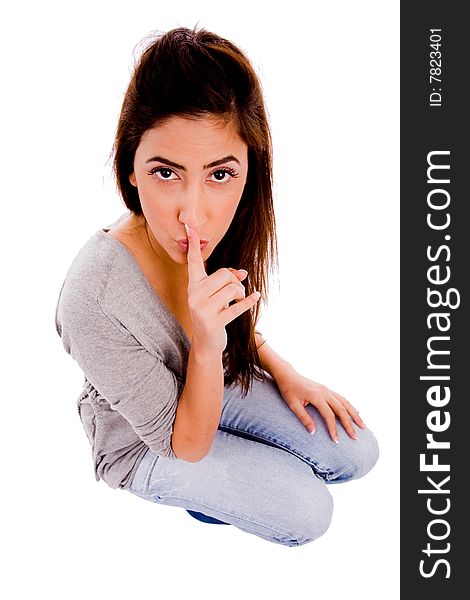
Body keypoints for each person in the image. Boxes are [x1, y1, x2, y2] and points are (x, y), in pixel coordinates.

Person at [55, 25, 379, 547]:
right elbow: (183, 443)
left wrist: (286, 373)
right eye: (166, 173)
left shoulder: (212, 224)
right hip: (150, 443)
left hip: (207, 376)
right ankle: (209, 494)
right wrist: (207, 348)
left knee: (357, 453)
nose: (193, 212)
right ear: (131, 168)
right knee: (308, 512)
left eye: (219, 174)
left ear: (249, 169)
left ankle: (237, 452)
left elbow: (221, 325)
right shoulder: (92, 296)